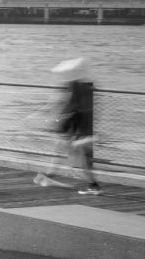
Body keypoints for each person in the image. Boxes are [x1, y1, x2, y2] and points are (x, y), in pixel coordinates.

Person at [36, 57, 103, 196]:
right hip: (77, 128)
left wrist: (46, 115)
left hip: (71, 129)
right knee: (70, 156)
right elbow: (77, 108)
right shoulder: (87, 86)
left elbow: (66, 108)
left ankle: (46, 177)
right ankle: (47, 177)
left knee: (71, 156)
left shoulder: (73, 87)